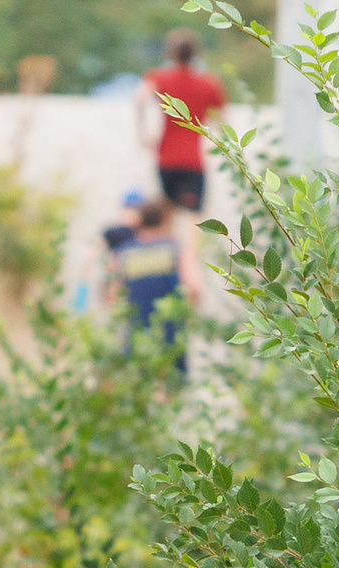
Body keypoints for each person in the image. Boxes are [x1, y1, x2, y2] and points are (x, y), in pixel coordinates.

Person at [105, 197, 201, 369]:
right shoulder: (176, 248)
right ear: (163, 220)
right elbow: (193, 287)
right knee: (173, 386)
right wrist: (188, 314)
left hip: (136, 334)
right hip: (170, 331)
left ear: (140, 221)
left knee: (139, 388)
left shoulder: (123, 253)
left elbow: (111, 296)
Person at [141, 31, 226, 212]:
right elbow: (223, 118)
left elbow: (139, 99)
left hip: (166, 158)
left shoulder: (160, 78)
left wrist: (144, 134)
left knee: (167, 215)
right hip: (193, 160)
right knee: (192, 217)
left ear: (170, 53)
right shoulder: (208, 83)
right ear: (195, 54)